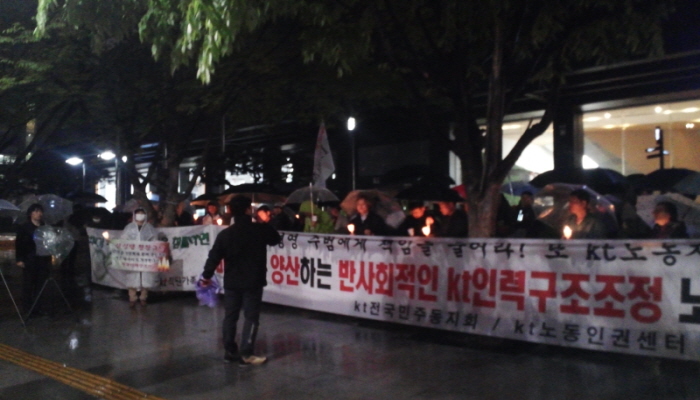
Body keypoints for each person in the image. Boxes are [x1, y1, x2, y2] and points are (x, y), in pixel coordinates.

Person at [199, 195, 282, 366]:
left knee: (230, 316)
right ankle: (246, 353)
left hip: (232, 281)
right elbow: (275, 239)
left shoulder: (226, 234)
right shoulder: (258, 230)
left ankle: (230, 351)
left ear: (230, 211)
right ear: (248, 210)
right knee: (251, 317)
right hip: (253, 280)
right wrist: (263, 221)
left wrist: (206, 276)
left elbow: (214, 256)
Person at [15, 204, 52, 315]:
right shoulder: (25, 227)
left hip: (42, 259)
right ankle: (28, 309)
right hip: (29, 259)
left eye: (40, 211)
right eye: (36, 211)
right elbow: (19, 244)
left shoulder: (44, 226)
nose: (39, 214)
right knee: (28, 285)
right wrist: (19, 259)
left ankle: (38, 308)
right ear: (31, 213)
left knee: (40, 285)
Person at [120, 207, 158, 307]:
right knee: (132, 277)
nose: (140, 215)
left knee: (146, 277)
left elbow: (155, 240)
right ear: (134, 215)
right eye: (138, 213)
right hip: (133, 256)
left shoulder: (150, 228)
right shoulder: (129, 227)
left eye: (142, 213)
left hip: (146, 256)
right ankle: (132, 298)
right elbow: (123, 240)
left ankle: (143, 297)